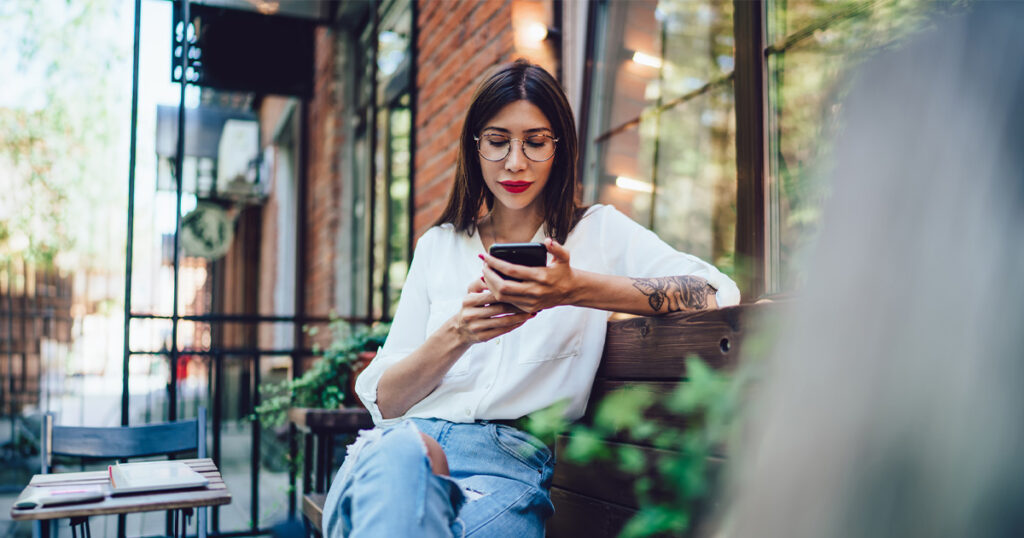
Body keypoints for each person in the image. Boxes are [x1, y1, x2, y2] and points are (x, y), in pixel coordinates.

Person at [322, 58, 740, 537]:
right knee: (401, 466)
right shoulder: (439, 245)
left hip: (503, 468)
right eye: (498, 142)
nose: (515, 162)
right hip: (402, 451)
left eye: (535, 143)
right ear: (475, 148)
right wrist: (460, 332)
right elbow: (387, 401)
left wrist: (575, 288)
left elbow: (715, 290)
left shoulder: (597, 233)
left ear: (559, 149)